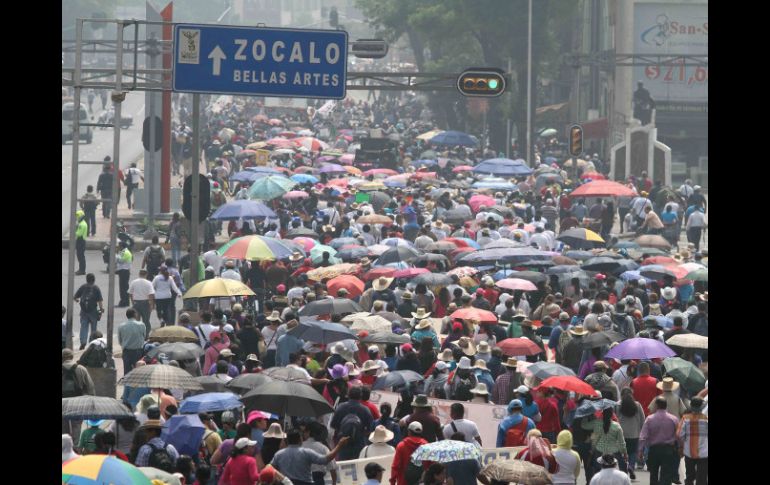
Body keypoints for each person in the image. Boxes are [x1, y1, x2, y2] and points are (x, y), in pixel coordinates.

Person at [270, 429, 349, 485]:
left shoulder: (278, 454)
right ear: (300, 439)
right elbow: (325, 460)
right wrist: (339, 445)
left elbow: (270, 468)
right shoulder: (306, 452)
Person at [639, 397, 680, 485]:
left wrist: (640, 451)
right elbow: (678, 436)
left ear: (657, 405)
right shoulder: (674, 419)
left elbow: (643, 436)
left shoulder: (649, 419)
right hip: (668, 450)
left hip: (654, 450)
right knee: (666, 474)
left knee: (653, 474)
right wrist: (680, 448)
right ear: (666, 406)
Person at [329, 386, 374, 460]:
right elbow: (370, 428)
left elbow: (333, 425)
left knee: (343, 467)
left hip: (342, 444)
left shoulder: (341, 407)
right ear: (360, 396)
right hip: (359, 444)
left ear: (348, 395)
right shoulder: (365, 410)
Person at [582, 408, 629, 476]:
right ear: (612, 415)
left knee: (598, 475)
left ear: (602, 414)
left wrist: (586, 416)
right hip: (614, 453)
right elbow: (622, 443)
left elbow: (584, 425)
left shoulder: (596, 423)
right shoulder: (617, 426)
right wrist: (625, 453)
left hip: (599, 452)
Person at [677, 397, 708, 485]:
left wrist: (684, 443)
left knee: (690, 475)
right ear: (701, 407)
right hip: (704, 453)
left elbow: (679, 434)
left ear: (691, 406)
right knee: (702, 477)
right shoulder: (706, 419)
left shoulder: (685, 418)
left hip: (689, 451)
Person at [617, 388, 645, 480]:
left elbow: (614, 418)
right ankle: (631, 467)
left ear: (621, 395)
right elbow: (642, 419)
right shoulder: (637, 405)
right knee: (633, 452)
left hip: (621, 433)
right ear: (632, 394)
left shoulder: (618, 405)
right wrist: (642, 432)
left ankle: (623, 471)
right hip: (634, 433)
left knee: (621, 452)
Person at [73, 273, 104, 350]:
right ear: (94, 280)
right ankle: (92, 343)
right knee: (93, 328)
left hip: (84, 311)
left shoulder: (83, 287)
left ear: (86, 279)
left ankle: (83, 342)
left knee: (84, 327)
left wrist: (77, 300)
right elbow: (100, 300)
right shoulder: (96, 288)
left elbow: (75, 297)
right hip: (93, 311)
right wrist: (101, 309)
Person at [118, 308, 146, 375]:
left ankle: (127, 385)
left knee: (127, 372)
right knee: (138, 372)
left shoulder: (121, 326)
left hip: (126, 351)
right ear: (135, 315)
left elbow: (120, 340)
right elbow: (144, 336)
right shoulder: (141, 324)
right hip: (138, 351)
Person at [128, 269, 156, 335]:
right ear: (146, 274)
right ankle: (146, 335)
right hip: (145, 303)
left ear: (139, 274)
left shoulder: (134, 282)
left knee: (136, 321)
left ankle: (137, 334)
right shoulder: (148, 283)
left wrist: (132, 302)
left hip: (136, 303)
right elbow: (151, 294)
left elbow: (130, 293)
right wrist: (151, 305)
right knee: (146, 321)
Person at [116, 241, 134, 307]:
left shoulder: (125, 252)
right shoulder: (124, 252)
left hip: (124, 271)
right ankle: (125, 301)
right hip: (124, 271)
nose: (118, 247)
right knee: (124, 287)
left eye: (119, 246)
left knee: (123, 288)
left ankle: (124, 301)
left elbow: (120, 260)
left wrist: (116, 255)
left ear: (122, 246)